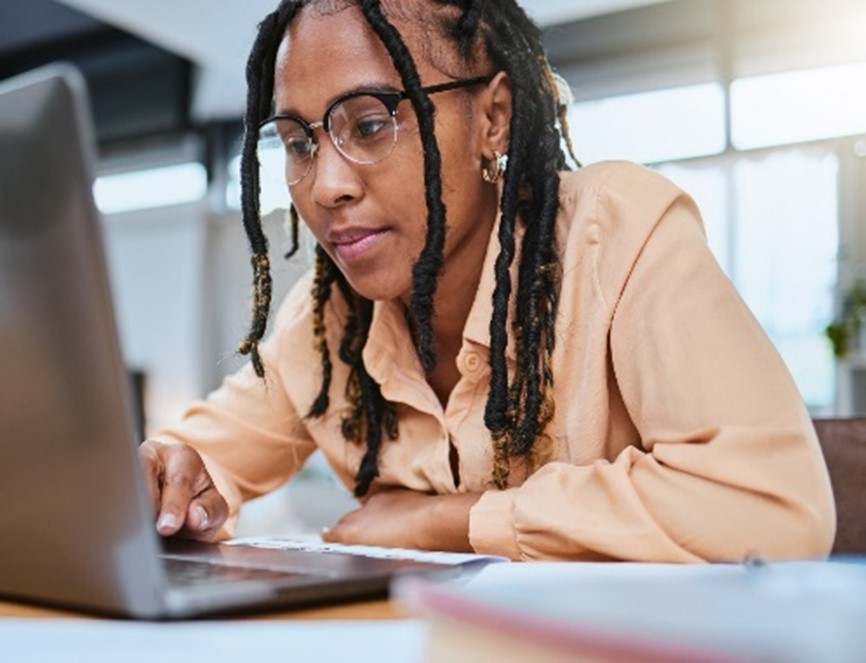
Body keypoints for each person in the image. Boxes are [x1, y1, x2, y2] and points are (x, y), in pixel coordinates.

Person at [139, 0, 836, 562]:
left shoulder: (616, 233)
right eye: (298, 143)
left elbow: (775, 506)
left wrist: (449, 520)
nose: (325, 185)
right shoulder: (325, 321)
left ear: (493, 118)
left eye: (372, 124)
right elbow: (199, 457)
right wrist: (168, 474)